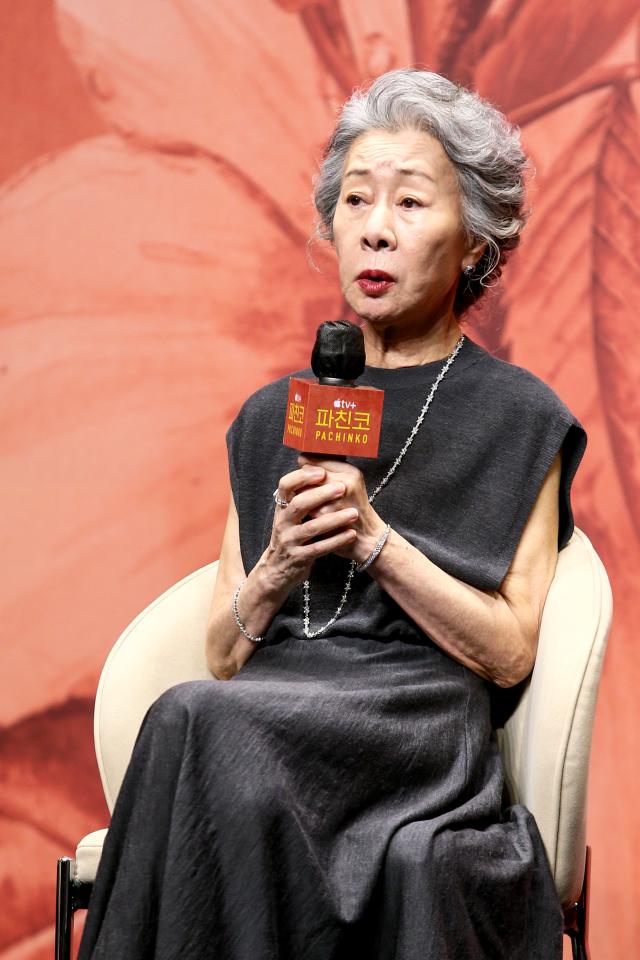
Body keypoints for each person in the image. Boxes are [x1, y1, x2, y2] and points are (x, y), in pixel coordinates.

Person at [78, 68, 587, 960]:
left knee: (199, 724)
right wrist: (277, 563)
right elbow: (226, 652)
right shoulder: (271, 418)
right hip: (269, 711)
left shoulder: (521, 417)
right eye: (355, 200)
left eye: (409, 202)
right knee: (194, 712)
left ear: (474, 243)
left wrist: (376, 542)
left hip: (414, 727)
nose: (375, 227)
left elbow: (509, 652)